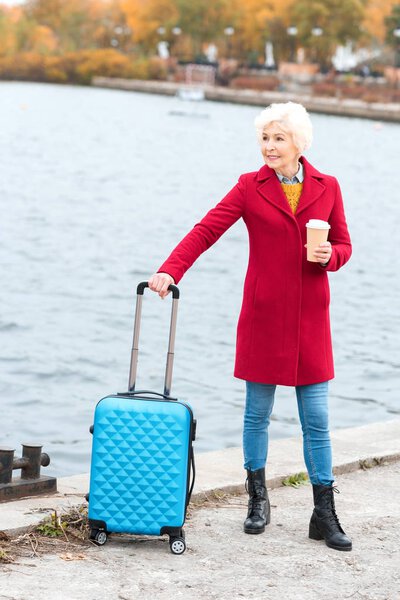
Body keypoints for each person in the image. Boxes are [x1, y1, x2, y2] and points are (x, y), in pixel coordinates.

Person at [148, 102, 352, 552]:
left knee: (316, 420)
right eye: (264, 138)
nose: (269, 146)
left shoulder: (328, 186)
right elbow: (205, 231)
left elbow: (344, 244)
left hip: (312, 321)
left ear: (299, 142)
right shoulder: (248, 187)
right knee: (256, 414)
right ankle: (257, 500)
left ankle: (325, 511)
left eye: (279, 138)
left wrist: (330, 257)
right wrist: (169, 271)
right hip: (263, 318)